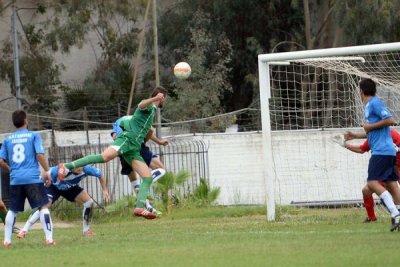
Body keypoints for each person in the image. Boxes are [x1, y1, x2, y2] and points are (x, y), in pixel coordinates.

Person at [58, 86, 168, 219]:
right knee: (104, 157)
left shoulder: (152, 112)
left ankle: (139, 208)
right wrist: (155, 98)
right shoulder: (149, 107)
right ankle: (66, 166)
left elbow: (149, 130)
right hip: (126, 140)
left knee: (147, 177)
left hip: (134, 147)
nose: (164, 102)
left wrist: (159, 141)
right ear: (162, 97)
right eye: (164, 99)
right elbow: (141, 104)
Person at [17, 152, 110, 238]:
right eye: (78, 165)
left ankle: (86, 230)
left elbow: (100, 175)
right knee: (44, 206)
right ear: (73, 163)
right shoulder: (62, 169)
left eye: (82, 165)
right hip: (53, 187)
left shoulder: (87, 169)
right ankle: (24, 230)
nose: (80, 168)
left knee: (89, 202)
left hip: (70, 188)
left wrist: (105, 190)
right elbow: (45, 174)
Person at [0, 110, 55, 247]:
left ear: (14, 123)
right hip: (32, 178)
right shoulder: (33, 136)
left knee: (12, 210)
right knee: (43, 207)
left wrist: (11, 170)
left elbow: (0, 161)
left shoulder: (7, 140)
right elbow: (39, 155)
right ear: (25, 120)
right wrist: (47, 171)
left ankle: (7, 241)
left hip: (15, 179)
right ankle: (49, 239)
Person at [354, 78, 400, 231]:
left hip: (381, 151)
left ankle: (395, 213)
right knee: (391, 184)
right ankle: (399, 213)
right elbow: (374, 131)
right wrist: (353, 136)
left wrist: (368, 126)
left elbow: (390, 120)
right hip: (387, 150)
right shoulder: (370, 106)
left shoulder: (374, 103)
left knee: (372, 182)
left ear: (361, 91)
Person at [344, 128, 400, 223]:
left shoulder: (385, 131)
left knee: (384, 185)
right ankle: (372, 218)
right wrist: (345, 144)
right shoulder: (376, 135)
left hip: (392, 163)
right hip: (389, 163)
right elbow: (362, 149)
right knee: (367, 190)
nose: (365, 125)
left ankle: (396, 214)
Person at [111, 118, 168, 194]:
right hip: (137, 146)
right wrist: (159, 141)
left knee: (134, 181)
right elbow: (150, 130)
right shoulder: (141, 118)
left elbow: (114, 137)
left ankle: (145, 204)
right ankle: (148, 180)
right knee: (161, 169)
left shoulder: (118, 121)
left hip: (122, 148)